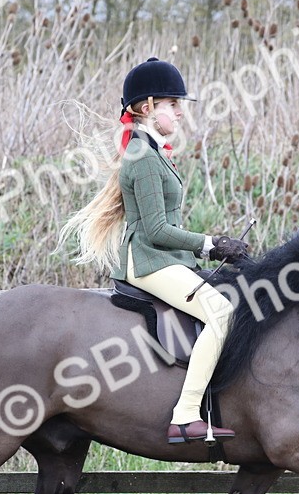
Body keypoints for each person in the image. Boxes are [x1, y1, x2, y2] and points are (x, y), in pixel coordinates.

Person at [62, 57, 251, 444]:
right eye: (173, 104)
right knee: (220, 312)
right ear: (147, 107)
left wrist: (205, 249)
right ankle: (184, 415)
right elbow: (157, 229)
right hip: (149, 261)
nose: (180, 113)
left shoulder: (151, 151)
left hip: (162, 257)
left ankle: (214, 410)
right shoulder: (144, 157)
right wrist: (210, 244)